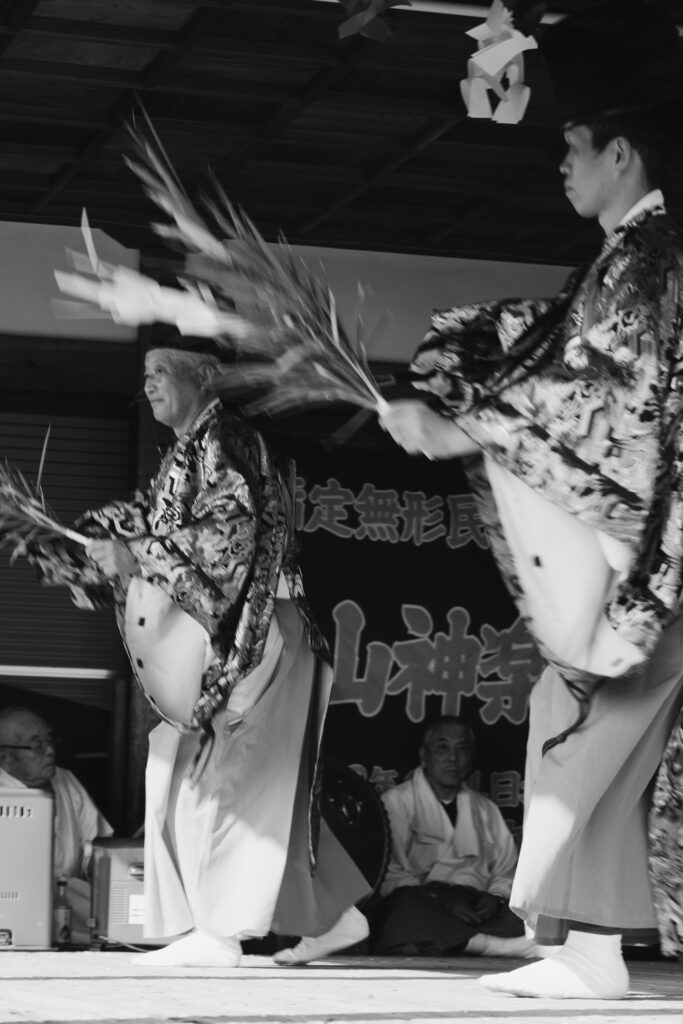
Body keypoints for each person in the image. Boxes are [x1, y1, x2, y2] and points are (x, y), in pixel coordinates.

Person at [380, 0, 683, 1000]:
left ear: (620, 155)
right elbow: (550, 342)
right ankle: (586, 947)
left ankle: (591, 950)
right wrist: (447, 369)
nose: (560, 164)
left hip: (654, 552)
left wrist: (464, 422)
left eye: (572, 146)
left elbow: (600, 392)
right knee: (580, 720)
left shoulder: (650, 260)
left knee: (591, 728)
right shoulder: (626, 258)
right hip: (642, 547)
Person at [26, 342, 370, 967]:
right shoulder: (187, 451)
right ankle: (333, 916)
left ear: (205, 375)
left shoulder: (228, 438)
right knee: (217, 777)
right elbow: (146, 521)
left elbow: (228, 532)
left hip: (260, 629)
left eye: (161, 371)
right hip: (242, 633)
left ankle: (219, 933)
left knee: (223, 780)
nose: (149, 383)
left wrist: (136, 556)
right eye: (146, 374)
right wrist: (83, 550)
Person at [371, 716, 534, 958]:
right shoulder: (397, 802)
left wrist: (495, 897)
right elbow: (389, 874)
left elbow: (505, 869)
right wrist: (440, 898)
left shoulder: (485, 809)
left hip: (476, 902)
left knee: (528, 913)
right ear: (424, 756)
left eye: (462, 749)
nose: (453, 758)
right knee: (404, 910)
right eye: (442, 748)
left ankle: (461, 942)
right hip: (427, 899)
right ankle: (489, 946)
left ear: (471, 759)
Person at [0, 705, 113, 943]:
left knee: (111, 917)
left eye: (50, 740)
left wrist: (96, 864)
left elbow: (97, 844)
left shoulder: (65, 780)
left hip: (68, 896)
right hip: (11, 903)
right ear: (5, 757)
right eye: (36, 745)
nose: (50, 751)